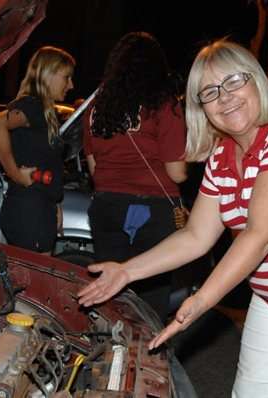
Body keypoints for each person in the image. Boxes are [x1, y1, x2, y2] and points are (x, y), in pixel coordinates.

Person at [78, 38, 268, 397]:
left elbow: (262, 234)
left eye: (234, 81)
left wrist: (200, 300)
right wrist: (126, 270)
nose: (225, 97)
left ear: (256, 80)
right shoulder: (222, 155)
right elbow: (196, 236)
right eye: (210, 92)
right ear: (201, 107)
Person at [81, 32, 187, 323]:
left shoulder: (95, 108)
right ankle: (146, 358)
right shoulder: (164, 103)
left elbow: (93, 168)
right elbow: (176, 172)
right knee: (152, 294)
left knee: (110, 288)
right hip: (153, 210)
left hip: (107, 206)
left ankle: (109, 347)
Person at [0, 46, 75, 253]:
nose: (71, 85)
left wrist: (55, 204)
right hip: (29, 211)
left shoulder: (45, 111)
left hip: (40, 208)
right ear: (48, 75)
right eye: (67, 77)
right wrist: (14, 173)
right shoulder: (32, 106)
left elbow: (48, 162)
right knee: (33, 282)